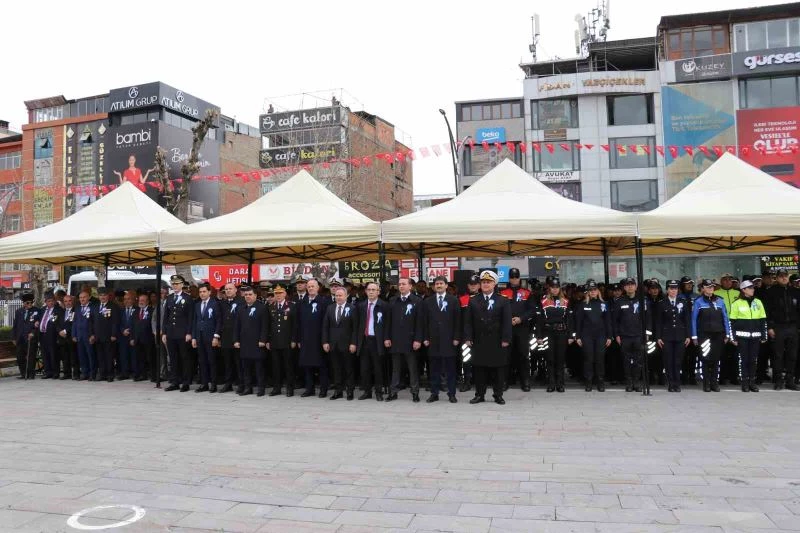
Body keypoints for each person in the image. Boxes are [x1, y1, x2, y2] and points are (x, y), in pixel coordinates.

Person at [464, 270, 511, 405]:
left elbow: (507, 322)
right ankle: (479, 394)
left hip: (497, 340)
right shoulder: (473, 300)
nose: (485, 284)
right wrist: (468, 337)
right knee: (479, 369)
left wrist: (506, 339)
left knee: (498, 369)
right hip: (479, 340)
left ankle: (498, 394)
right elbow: (468, 321)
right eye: (483, 282)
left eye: (488, 282)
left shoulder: (503, 300)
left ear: (494, 283)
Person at [417, 275, 461, 403]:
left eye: (441, 283)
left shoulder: (453, 300)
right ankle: (434, 393)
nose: (439, 286)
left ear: (446, 286)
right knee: (434, 369)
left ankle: (451, 393)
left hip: (449, 340)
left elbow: (458, 321)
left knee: (450, 369)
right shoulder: (428, 301)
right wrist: (425, 337)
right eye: (437, 284)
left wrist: (457, 337)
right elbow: (424, 322)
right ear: (434, 286)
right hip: (433, 340)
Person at [385, 277, 423, 402]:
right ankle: (393, 391)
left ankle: (415, 392)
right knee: (395, 368)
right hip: (395, 339)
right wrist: (387, 337)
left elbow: (419, 323)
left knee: (412, 368)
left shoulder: (417, 301)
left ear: (410, 286)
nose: (401, 286)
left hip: (410, 340)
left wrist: (418, 339)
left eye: (404, 284)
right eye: (399, 284)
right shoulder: (392, 301)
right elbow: (388, 321)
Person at [691, 279, 732, 392]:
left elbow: (725, 318)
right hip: (704, 334)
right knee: (705, 358)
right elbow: (693, 320)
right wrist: (694, 336)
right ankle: (706, 383)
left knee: (715, 359)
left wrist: (727, 333)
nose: (710, 289)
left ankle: (714, 383)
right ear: (703, 288)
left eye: (712, 287)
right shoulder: (698, 302)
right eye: (708, 287)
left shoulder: (720, 300)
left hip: (718, 334)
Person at [499, 268, 535, 392]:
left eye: (516, 277)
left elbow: (532, 311)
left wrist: (521, 318)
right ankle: (505, 381)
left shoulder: (527, 293)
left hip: (522, 329)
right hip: (507, 329)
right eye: (512, 277)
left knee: (523, 356)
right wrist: (508, 319)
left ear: (519, 278)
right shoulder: (502, 292)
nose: (514, 279)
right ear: (509, 278)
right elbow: (499, 310)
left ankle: (525, 381)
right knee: (506, 356)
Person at [764, 268, 800, 390]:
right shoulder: (771, 292)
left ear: (788, 277)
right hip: (778, 327)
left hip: (793, 327)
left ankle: (790, 380)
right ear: (777, 278)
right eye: (781, 276)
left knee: (792, 355)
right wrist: (770, 327)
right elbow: (767, 311)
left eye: (785, 275)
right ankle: (778, 380)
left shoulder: (796, 291)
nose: (784, 278)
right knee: (778, 355)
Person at [729, 280, 767, 393]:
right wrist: (733, 337)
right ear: (743, 290)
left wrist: (764, 335)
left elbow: (762, 320)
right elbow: (732, 322)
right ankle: (744, 383)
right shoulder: (736, 303)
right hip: (742, 337)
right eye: (750, 288)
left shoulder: (758, 302)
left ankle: (752, 382)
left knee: (753, 360)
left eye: (753, 288)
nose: (752, 289)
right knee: (744, 360)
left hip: (755, 336)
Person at [537, 276, 574, 393]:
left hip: (562, 333)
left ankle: (560, 384)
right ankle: (551, 383)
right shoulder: (543, 301)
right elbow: (540, 320)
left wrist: (571, 335)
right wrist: (539, 336)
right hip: (548, 333)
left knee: (560, 359)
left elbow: (569, 320)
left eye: (556, 287)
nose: (554, 289)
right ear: (549, 288)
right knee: (550, 359)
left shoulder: (566, 301)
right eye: (552, 287)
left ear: (559, 289)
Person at [574, 280, 612, 392]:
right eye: (591, 290)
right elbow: (578, 322)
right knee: (588, 359)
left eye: (595, 290)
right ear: (588, 292)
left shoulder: (604, 304)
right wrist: (578, 336)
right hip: (587, 335)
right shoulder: (583, 304)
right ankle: (589, 382)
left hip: (601, 335)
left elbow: (607, 321)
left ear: (598, 291)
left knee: (600, 358)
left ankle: (600, 381)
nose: (593, 292)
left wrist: (609, 336)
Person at [296, 279, 331, 398]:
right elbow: (298, 323)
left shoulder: (324, 301)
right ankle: (309, 389)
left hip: (319, 339)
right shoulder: (302, 302)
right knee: (307, 365)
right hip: (305, 339)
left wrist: (325, 340)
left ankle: (323, 389)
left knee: (322, 366)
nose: (310, 288)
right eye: (309, 286)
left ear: (318, 288)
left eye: (313, 286)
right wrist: (299, 339)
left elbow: (327, 323)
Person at [322, 286, 358, 400]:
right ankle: (338, 391)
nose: (338, 297)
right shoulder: (330, 308)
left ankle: (350, 391)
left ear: (346, 296)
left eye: (340, 295)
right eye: (336, 295)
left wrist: (353, 343)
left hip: (347, 344)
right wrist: (325, 341)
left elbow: (355, 328)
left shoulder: (352, 308)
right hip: (333, 344)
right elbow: (325, 326)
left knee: (348, 369)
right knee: (336, 369)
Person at [655, 280, 692, 392]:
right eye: (671, 288)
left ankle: (677, 383)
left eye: (675, 288)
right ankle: (671, 383)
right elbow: (659, 322)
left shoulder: (683, 302)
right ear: (667, 290)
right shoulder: (662, 303)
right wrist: (658, 337)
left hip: (680, 335)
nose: (673, 291)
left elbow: (687, 320)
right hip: (667, 336)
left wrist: (688, 335)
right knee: (668, 361)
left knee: (677, 360)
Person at [614, 278, 649, 393]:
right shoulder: (620, 301)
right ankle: (629, 383)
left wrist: (647, 333)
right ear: (624, 287)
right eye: (627, 285)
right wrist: (617, 334)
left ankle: (636, 382)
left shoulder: (642, 300)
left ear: (636, 286)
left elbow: (648, 318)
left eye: (632, 285)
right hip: (625, 336)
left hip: (638, 335)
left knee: (639, 360)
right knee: (626, 360)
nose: (630, 287)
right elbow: (616, 320)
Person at [233, 285, 269, 396]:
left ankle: (261, 388)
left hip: (257, 343)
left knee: (259, 368)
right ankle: (248, 388)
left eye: (250, 294)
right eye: (246, 295)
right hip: (244, 343)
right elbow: (237, 326)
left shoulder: (262, 307)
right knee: (246, 368)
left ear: (255, 295)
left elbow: (265, 325)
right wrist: (236, 340)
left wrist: (263, 339)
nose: (247, 296)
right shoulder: (241, 308)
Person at [356, 282, 387, 401]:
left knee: (377, 368)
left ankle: (379, 392)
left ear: (378, 292)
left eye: (374, 290)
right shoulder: (361, 305)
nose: (371, 292)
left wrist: (386, 339)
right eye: (369, 289)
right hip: (364, 340)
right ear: (366, 291)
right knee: (365, 368)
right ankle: (367, 391)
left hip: (377, 341)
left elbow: (387, 324)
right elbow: (357, 325)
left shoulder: (384, 305)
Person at [163, 275, 194, 392]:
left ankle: (186, 382)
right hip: (171, 333)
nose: (175, 286)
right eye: (173, 284)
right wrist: (164, 332)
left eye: (177, 284)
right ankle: (175, 381)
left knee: (184, 358)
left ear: (182, 285)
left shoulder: (187, 298)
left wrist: (189, 332)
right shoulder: (170, 298)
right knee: (173, 358)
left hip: (182, 333)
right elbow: (166, 317)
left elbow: (190, 317)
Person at [267, 283, 298, 397]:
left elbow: (295, 325)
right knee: (276, 366)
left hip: (287, 341)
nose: (278, 295)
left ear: (285, 293)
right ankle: (277, 388)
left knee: (288, 366)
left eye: (280, 293)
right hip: (274, 341)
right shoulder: (271, 306)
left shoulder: (291, 306)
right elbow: (268, 325)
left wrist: (294, 339)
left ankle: (290, 388)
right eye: (276, 293)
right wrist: (267, 340)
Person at [192, 282, 222, 393]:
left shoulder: (215, 304)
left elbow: (219, 321)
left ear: (209, 292)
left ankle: (213, 383)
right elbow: (195, 321)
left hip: (211, 337)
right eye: (200, 292)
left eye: (204, 291)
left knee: (212, 361)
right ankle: (204, 383)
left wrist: (216, 336)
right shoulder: (197, 305)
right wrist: (194, 337)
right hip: (200, 337)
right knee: (202, 361)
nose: (202, 294)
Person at [92, 288, 120, 382]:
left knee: (109, 356)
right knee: (100, 356)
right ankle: (102, 373)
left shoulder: (113, 306)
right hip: (98, 336)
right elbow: (92, 321)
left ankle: (110, 374)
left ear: (108, 296)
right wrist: (92, 334)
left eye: (104, 295)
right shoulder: (95, 306)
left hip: (108, 336)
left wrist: (113, 334)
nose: (102, 297)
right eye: (101, 295)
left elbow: (115, 322)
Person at [219, 283, 242, 393]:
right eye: (226, 289)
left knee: (238, 362)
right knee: (227, 362)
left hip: (237, 337)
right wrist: (218, 336)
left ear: (235, 290)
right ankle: (228, 383)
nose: (228, 291)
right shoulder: (222, 303)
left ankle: (241, 383)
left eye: (230, 289)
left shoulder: (241, 302)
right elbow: (220, 320)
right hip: (225, 337)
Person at [38, 291, 63, 380]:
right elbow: (39, 319)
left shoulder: (58, 310)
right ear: (45, 302)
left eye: (52, 300)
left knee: (53, 354)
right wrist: (37, 323)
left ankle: (55, 372)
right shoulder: (42, 310)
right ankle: (48, 371)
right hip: (43, 335)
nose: (50, 303)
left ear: (55, 301)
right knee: (45, 354)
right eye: (48, 301)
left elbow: (59, 323)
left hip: (53, 336)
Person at [13, 293, 39, 379]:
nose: (29, 304)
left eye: (30, 302)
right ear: (23, 303)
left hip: (30, 337)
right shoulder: (19, 311)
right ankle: (24, 373)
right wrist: (14, 337)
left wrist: (33, 332)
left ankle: (31, 374)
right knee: (19, 356)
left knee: (31, 356)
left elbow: (38, 325)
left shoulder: (37, 311)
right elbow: (15, 325)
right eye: (27, 303)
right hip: (20, 338)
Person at [73, 290, 96, 380]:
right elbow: (75, 322)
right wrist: (74, 334)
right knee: (82, 356)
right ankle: (84, 373)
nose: (82, 299)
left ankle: (92, 373)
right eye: (80, 298)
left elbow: (95, 322)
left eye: (84, 297)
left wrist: (93, 334)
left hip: (89, 335)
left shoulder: (93, 307)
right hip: (80, 336)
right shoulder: (77, 308)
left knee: (90, 355)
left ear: (89, 297)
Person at [131, 293, 154, 382]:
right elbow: (132, 326)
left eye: (143, 300)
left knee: (151, 358)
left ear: (147, 301)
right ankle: (142, 375)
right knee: (140, 358)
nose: (141, 302)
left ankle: (153, 375)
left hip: (148, 339)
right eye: (140, 300)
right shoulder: (136, 311)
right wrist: (132, 338)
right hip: (137, 339)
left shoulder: (152, 310)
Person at [58, 294, 78, 380]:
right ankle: (67, 373)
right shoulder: (61, 312)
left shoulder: (76, 311)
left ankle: (76, 374)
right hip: (62, 338)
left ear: (72, 301)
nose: (68, 303)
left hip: (71, 337)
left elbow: (74, 324)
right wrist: (59, 331)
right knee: (65, 357)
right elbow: (56, 323)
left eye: (69, 301)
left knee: (74, 357)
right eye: (65, 301)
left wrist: (65, 331)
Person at [118, 291, 137, 380]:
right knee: (123, 355)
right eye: (125, 299)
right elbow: (118, 323)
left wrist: (131, 331)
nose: (126, 301)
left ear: (133, 300)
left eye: (128, 299)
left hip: (133, 336)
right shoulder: (121, 310)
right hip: (123, 337)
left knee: (134, 355)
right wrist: (122, 330)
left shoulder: (137, 310)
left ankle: (134, 372)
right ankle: (124, 373)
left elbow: (138, 324)